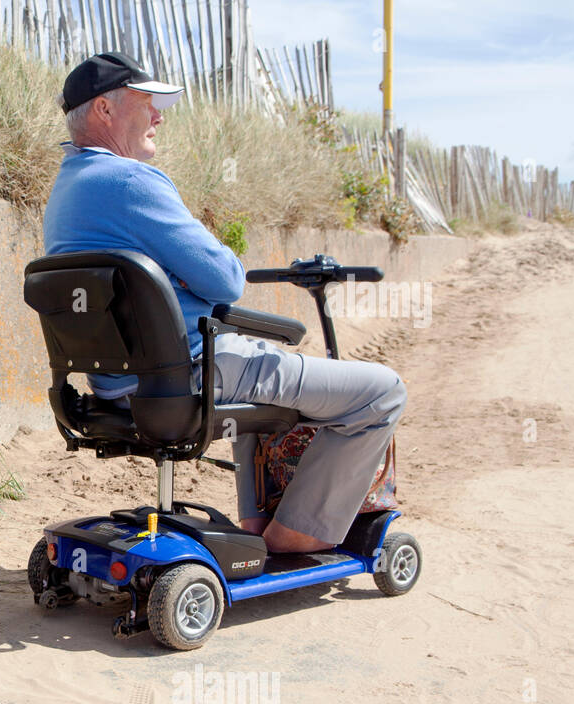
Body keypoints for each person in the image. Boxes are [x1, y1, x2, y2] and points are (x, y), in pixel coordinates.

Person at [43, 52, 407, 554]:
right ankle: (299, 534)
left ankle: (258, 526)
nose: (159, 115)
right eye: (148, 102)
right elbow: (225, 278)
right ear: (105, 110)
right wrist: (192, 274)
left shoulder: (66, 189)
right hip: (185, 375)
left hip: (115, 385)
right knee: (382, 392)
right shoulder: (130, 180)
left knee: (252, 361)